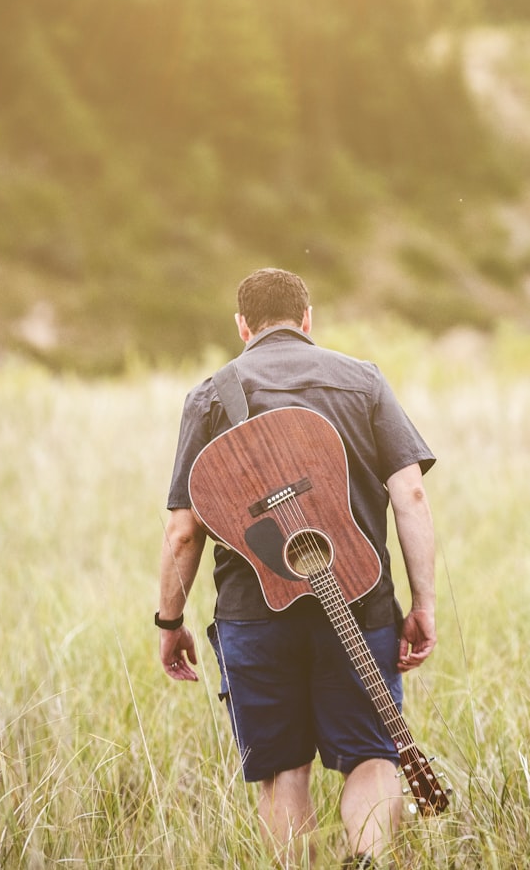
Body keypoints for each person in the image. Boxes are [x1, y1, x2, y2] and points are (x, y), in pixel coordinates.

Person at [157, 267, 437, 867]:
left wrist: (169, 623)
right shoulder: (363, 382)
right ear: (308, 320)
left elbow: (183, 531)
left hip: (254, 615)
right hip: (359, 600)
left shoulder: (210, 396)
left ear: (242, 327)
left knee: (285, 770)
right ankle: (367, 860)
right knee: (371, 755)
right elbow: (411, 495)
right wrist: (423, 604)